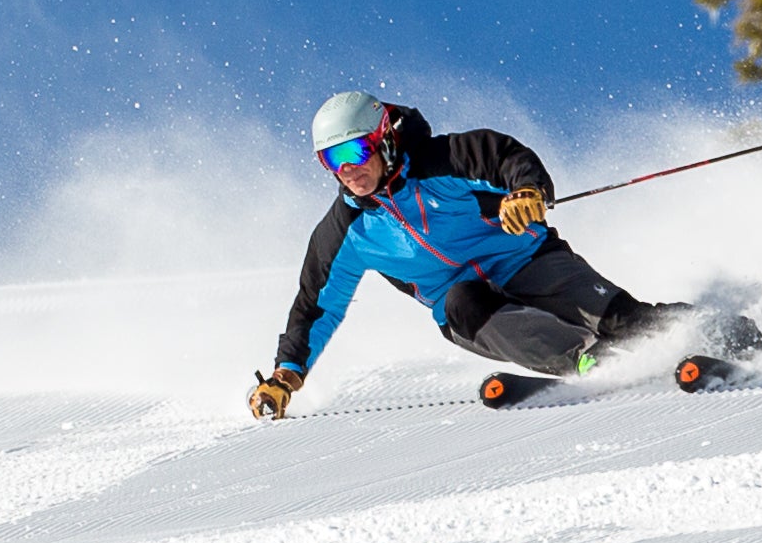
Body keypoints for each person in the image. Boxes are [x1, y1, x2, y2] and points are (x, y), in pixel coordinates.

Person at [244, 88, 677, 417]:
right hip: (474, 313)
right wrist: (287, 374)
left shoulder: (443, 161)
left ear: (384, 139)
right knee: (461, 300)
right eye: (331, 160)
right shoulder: (345, 232)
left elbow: (507, 159)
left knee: (627, 322)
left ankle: (702, 329)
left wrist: (526, 192)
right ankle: (590, 361)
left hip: (529, 262)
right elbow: (314, 309)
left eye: (354, 150)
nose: (348, 169)